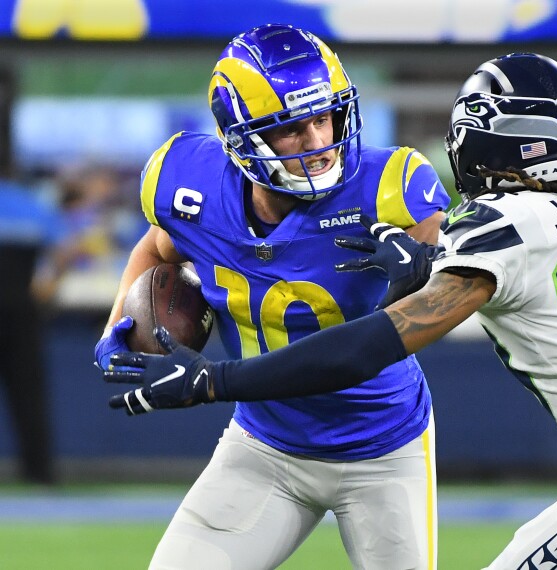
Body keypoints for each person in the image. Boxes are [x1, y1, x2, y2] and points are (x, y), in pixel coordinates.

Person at [103, 53, 557, 569]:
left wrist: (213, 382)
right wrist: (421, 258)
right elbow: (468, 256)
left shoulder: (497, 223)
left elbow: (371, 345)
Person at [95, 24, 449, 570]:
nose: (318, 142)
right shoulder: (187, 185)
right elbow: (157, 249)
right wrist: (115, 329)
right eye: (291, 129)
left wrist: (424, 263)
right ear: (238, 138)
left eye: (325, 117)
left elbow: (456, 265)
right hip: (264, 446)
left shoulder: (390, 185)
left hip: (383, 444)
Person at [0, 179, 61, 485]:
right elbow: (65, 248)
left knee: (29, 394)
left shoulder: (31, 202)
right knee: (28, 395)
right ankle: (39, 473)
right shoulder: (30, 203)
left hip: (20, 310)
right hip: (21, 307)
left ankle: (39, 471)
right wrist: (46, 285)